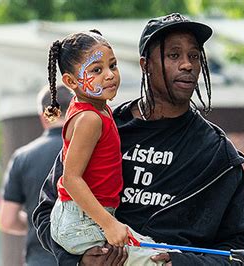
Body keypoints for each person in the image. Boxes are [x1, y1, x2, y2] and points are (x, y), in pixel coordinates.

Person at [33, 13, 244, 266]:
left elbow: (236, 251)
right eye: (173, 55)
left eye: (194, 56)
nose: (187, 65)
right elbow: (49, 209)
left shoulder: (217, 154)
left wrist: (181, 263)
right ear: (145, 65)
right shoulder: (103, 125)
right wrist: (79, 261)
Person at [43, 29, 167, 265]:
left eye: (113, 65)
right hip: (79, 222)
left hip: (88, 218)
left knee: (156, 250)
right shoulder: (90, 119)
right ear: (70, 81)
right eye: (96, 70)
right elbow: (70, 179)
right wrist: (109, 224)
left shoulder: (98, 108)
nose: (110, 75)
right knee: (157, 260)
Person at [0, 85, 73, 265]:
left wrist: (38, 223)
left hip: (39, 260)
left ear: (43, 116)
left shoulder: (22, 158)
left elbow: (7, 220)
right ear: (73, 110)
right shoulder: (91, 151)